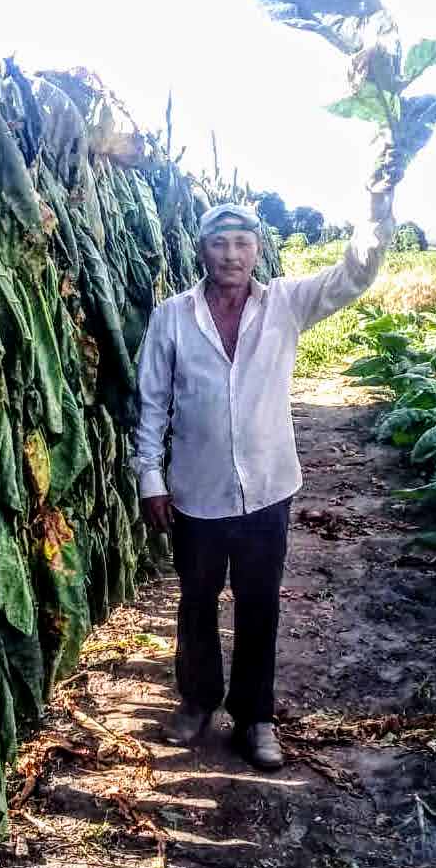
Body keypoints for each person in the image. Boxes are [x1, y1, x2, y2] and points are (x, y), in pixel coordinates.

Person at [133, 191, 394, 770]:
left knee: (259, 604)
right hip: (196, 490)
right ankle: (197, 701)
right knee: (196, 601)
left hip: (268, 488)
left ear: (257, 250)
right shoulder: (172, 315)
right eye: (219, 243)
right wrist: (150, 478)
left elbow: (355, 274)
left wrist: (377, 205)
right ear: (202, 250)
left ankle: (256, 717)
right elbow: (151, 402)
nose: (231, 254)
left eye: (242, 243)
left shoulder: (286, 304)